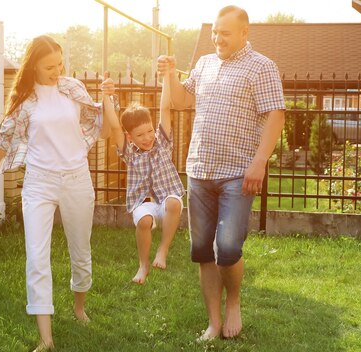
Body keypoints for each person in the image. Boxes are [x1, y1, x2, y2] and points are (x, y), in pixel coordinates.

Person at [0, 35, 112, 352]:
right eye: (49, 67)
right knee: (37, 257)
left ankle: (79, 307)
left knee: (81, 251)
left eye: (60, 64)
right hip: (40, 183)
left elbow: (104, 128)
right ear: (33, 67)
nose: (56, 71)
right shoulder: (24, 103)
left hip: (76, 179)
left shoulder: (73, 90)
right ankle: (46, 339)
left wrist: (108, 101)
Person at [157, 5, 285, 340]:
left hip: (237, 173)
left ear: (244, 33)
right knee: (203, 251)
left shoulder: (261, 67)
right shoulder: (205, 63)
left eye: (224, 33)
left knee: (227, 249)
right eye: (215, 32)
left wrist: (259, 162)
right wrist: (170, 74)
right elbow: (183, 101)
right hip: (199, 169)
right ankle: (213, 322)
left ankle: (234, 302)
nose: (217, 38)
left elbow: (275, 116)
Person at [101, 72, 184, 285]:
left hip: (166, 200)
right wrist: (107, 96)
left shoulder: (162, 143)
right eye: (140, 135)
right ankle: (143, 265)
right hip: (143, 202)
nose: (147, 138)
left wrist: (166, 76)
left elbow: (165, 108)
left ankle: (163, 251)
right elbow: (114, 124)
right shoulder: (128, 152)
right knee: (145, 221)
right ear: (130, 137)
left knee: (174, 202)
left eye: (149, 131)